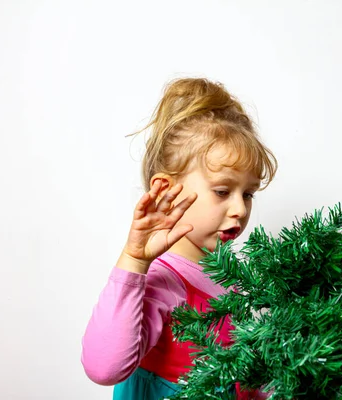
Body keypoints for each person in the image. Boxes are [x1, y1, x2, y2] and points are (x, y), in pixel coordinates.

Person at [81, 77, 277, 399]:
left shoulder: (232, 278)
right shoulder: (163, 280)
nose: (240, 209)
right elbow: (104, 368)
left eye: (248, 194)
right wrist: (134, 261)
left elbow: (244, 375)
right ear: (168, 191)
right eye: (223, 191)